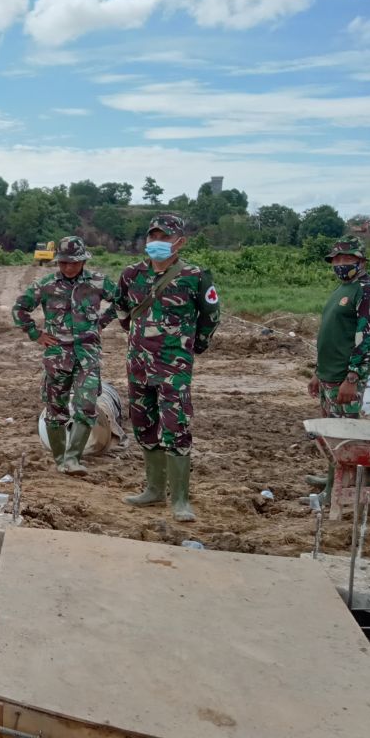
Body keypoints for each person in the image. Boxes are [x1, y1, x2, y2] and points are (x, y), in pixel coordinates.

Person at [116, 214, 220, 522]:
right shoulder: (131, 274)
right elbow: (122, 308)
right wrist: (137, 336)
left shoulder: (195, 276)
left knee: (176, 427)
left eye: (164, 237)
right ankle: (154, 490)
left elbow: (211, 315)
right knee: (143, 424)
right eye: (152, 237)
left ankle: (181, 501)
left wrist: (195, 345)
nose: (156, 243)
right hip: (137, 365)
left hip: (174, 368)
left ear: (180, 242)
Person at [12, 235, 118, 475]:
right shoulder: (46, 285)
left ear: (83, 261)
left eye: (73, 262)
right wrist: (35, 334)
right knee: (55, 408)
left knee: (87, 404)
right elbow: (19, 308)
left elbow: (122, 301)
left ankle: (73, 459)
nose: (68, 267)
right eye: (63, 262)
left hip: (88, 355)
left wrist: (103, 321)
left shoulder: (98, 283)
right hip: (57, 357)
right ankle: (60, 460)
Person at [304, 235, 370, 503]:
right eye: (336, 259)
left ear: (361, 260)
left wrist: (353, 377)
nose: (340, 263)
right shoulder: (343, 288)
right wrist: (318, 371)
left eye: (346, 258)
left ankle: (337, 490)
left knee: (345, 435)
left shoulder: (369, 291)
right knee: (329, 432)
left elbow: (366, 338)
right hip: (328, 372)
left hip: (344, 376)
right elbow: (333, 334)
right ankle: (331, 476)